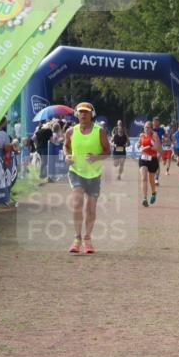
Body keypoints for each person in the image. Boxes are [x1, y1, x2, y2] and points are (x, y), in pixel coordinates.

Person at [63, 103, 110, 254]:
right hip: (76, 171)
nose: (83, 115)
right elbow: (66, 146)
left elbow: (107, 151)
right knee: (77, 202)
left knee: (90, 208)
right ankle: (77, 239)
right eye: (81, 112)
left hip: (94, 174)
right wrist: (67, 156)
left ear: (92, 114)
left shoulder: (100, 132)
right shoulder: (71, 131)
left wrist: (97, 157)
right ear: (77, 114)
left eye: (86, 112)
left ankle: (87, 239)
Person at [137, 121, 161, 207]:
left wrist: (149, 147)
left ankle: (154, 193)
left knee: (151, 180)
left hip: (153, 159)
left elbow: (158, 148)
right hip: (143, 158)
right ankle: (144, 198)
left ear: (151, 128)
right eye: (145, 127)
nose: (146, 129)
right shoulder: (141, 135)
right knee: (143, 178)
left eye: (148, 127)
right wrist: (138, 145)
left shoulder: (154, 136)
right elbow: (138, 144)